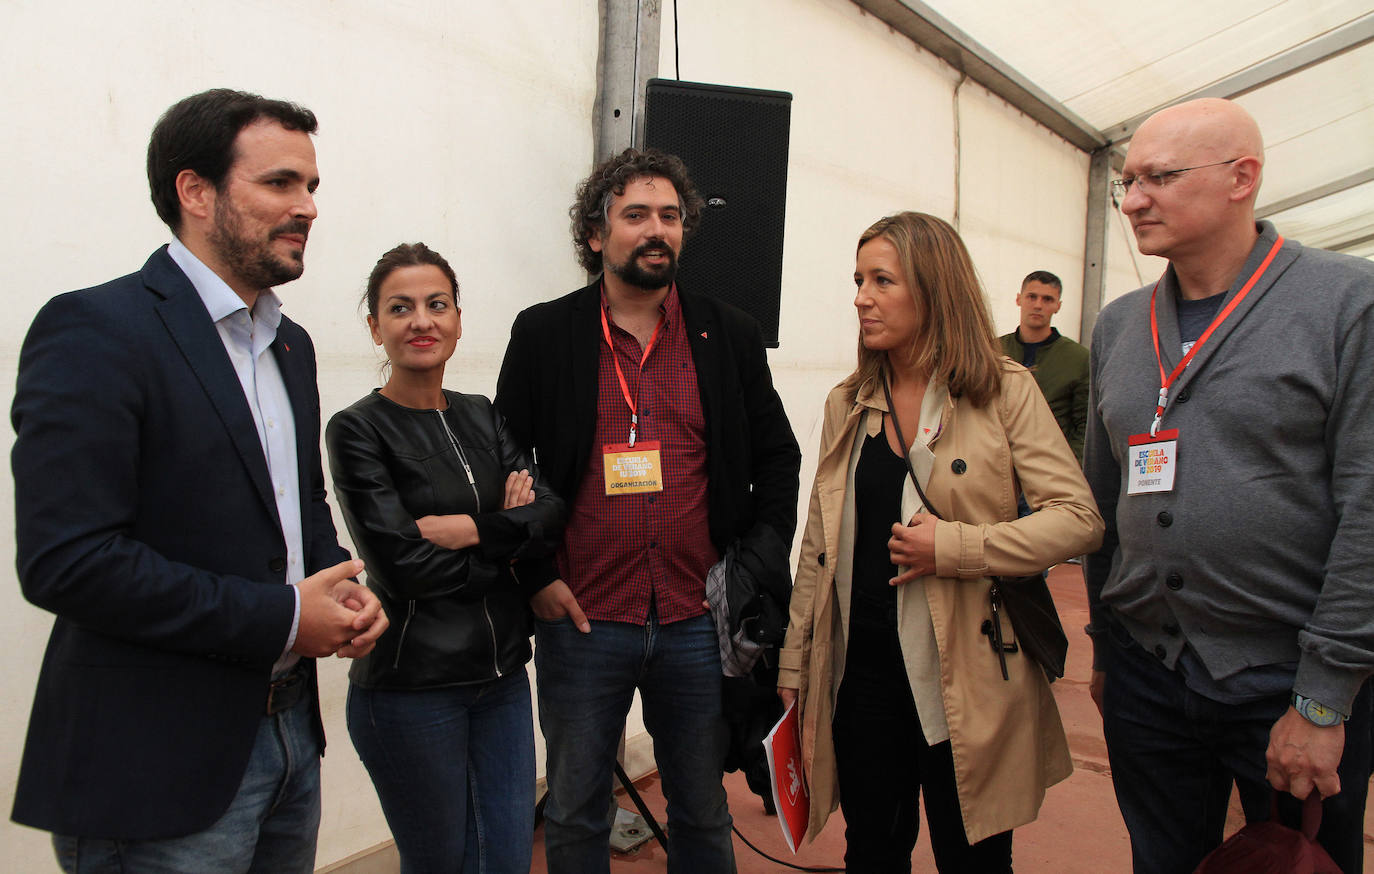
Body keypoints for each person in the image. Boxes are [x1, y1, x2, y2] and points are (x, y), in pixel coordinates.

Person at [10, 88, 388, 874]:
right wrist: (284, 618)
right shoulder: (97, 330)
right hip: (154, 768)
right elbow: (69, 561)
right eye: (281, 183)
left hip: (289, 740)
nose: (308, 206)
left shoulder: (292, 345)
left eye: (312, 186)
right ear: (195, 192)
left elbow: (295, 505)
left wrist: (343, 589)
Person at [1083, 97, 1374, 874]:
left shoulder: (1348, 304)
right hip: (1149, 670)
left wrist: (1323, 699)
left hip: (1289, 681)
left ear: (1242, 177)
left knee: (1296, 863)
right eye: (1127, 181)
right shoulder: (1119, 324)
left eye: (1160, 177)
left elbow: (1369, 511)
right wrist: (1108, 651)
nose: (1135, 199)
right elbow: (1104, 501)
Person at [494, 147, 801, 873]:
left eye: (670, 215)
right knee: (574, 809)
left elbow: (778, 457)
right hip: (583, 617)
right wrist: (534, 574)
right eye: (635, 215)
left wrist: (757, 558)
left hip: (699, 620)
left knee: (700, 806)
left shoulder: (726, 333)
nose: (655, 229)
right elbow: (504, 463)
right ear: (597, 235)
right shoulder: (545, 334)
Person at [777, 211, 1103, 873]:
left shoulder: (1004, 390)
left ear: (934, 289)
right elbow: (820, 541)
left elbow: (1078, 519)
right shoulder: (849, 401)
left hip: (969, 676)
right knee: (871, 851)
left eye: (882, 280)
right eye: (859, 280)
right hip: (863, 673)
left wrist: (956, 548)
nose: (861, 297)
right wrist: (795, 663)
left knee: (974, 857)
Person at [325, 243, 564, 873]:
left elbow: (549, 514)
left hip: (503, 682)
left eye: (437, 304)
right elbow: (405, 569)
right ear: (376, 327)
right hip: (412, 690)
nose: (420, 321)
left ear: (458, 318)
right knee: (443, 864)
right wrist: (510, 548)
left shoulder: (483, 416)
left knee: (507, 860)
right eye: (399, 308)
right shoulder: (357, 430)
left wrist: (472, 529)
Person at [998, 270, 1089, 463]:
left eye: (1047, 299)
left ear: (1058, 306)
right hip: (995, 464)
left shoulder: (1078, 359)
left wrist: (1070, 468)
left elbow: (1085, 424)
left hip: (1049, 466)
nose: (1038, 305)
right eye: (1032, 297)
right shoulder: (993, 351)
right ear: (1018, 299)